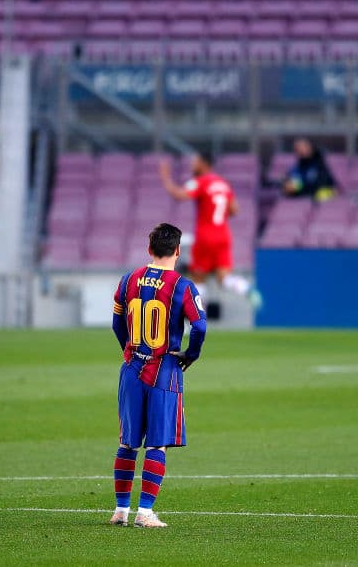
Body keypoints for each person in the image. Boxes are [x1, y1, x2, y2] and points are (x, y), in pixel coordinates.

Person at [109, 222, 208, 529]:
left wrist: (130, 348)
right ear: (178, 251)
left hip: (131, 369)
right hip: (164, 370)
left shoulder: (129, 280)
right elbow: (200, 326)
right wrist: (191, 355)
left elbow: (116, 323)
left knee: (128, 442)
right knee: (157, 443)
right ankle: (145, 512)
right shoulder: (183, 286)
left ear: (149, 249)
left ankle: (120, 510)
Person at [159, 152, 261, 307]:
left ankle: (195, 320)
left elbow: (179, 195)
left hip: (205, 236)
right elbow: (234, 209)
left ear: (204, 164)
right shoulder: (223, 183)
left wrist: (166, 178)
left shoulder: (199, 182)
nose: (193, 165)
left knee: (198, 278)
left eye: (195, 162)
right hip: (223, 235)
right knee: (223, 277)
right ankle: (246, 288)